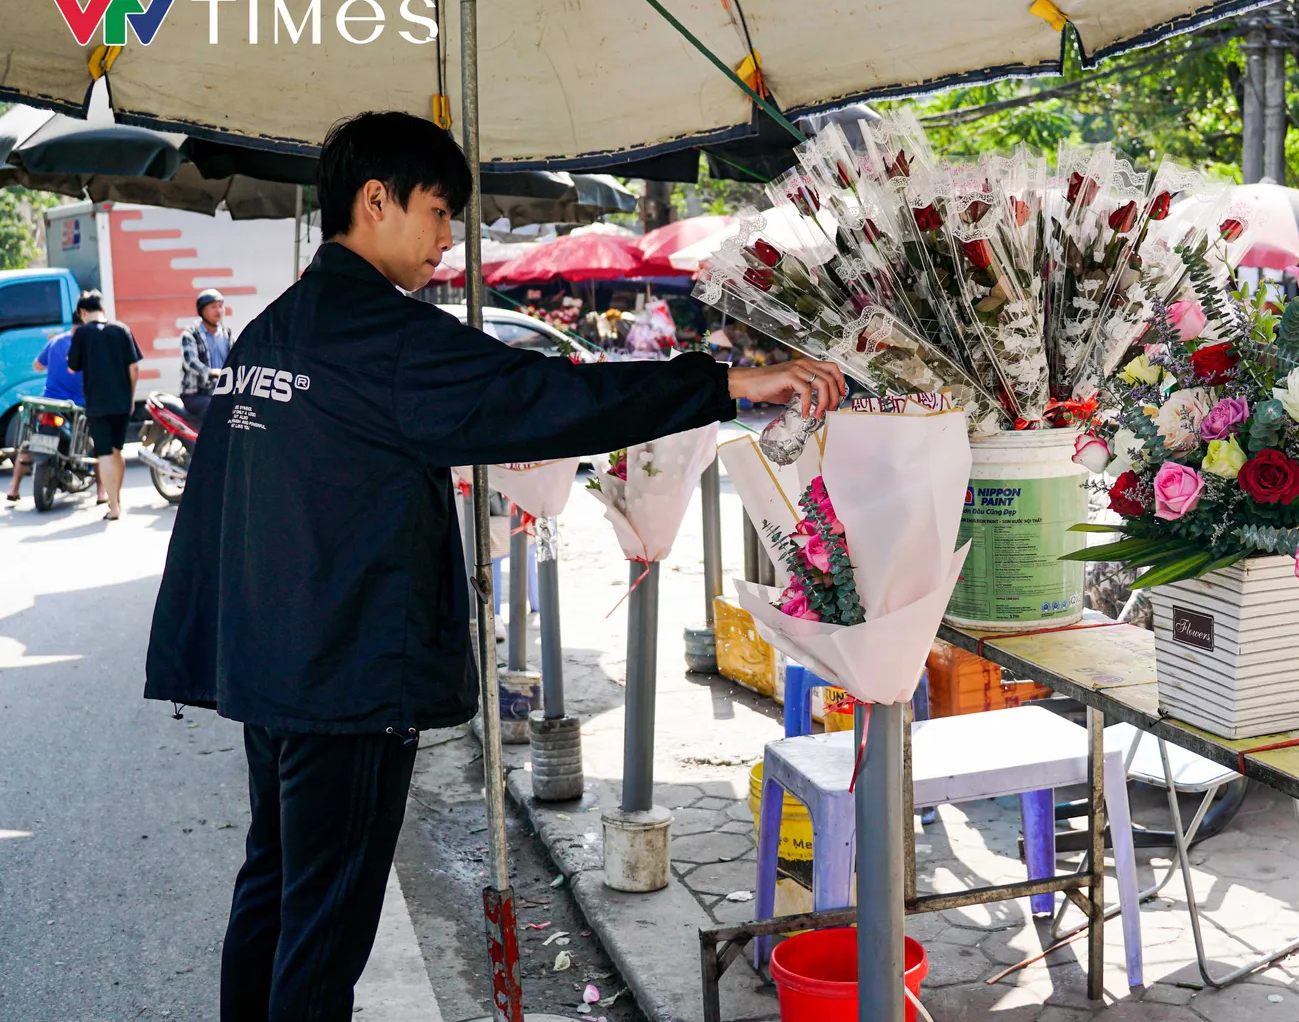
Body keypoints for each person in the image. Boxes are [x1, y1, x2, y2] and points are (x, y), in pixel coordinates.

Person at [142, 111, 843, 1022]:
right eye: (438, 212)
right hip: (343, 680)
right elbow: (549, 395)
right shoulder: (383, 337)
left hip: (268, 666)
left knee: (274, 885)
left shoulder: (272, 333)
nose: (448, 239)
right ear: (375, 199)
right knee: (325, 922)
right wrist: (721, 382)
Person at [6, 305, 102, 504]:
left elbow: (37, 366)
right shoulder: (88, 344)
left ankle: (13, 488)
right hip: (76, 405)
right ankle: (103, 493)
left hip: (48, 402)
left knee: (29, 441)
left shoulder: (56, 341)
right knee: (95, 444)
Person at [65, 291, 142, 520]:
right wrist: (130, 398)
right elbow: (134, 368)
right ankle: (116, 499)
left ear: (82, 312)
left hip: (97, 403)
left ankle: (114, 507)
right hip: (121, 403)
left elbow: (72, 367)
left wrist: (74, 333)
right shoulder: (121, 329)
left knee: (105, 454)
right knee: (118, 452)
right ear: (103, 309)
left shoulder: (82, 334)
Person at [180, 288, 233, 423]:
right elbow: (190, 362)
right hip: (196, 394)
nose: (219, 310)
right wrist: (211, 372)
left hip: (222, 391)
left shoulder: (227, 333)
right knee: (218, 410)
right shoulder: (191, 334)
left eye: (221, 306)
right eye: (213, 307)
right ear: (202, 311)